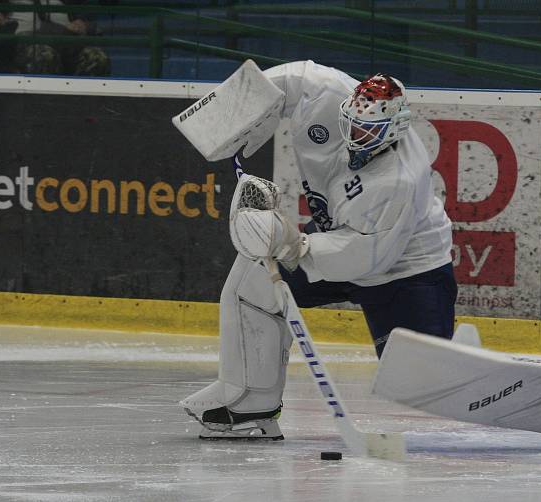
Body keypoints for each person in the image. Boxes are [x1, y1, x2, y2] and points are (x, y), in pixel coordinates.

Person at [180, 61, 457, 440]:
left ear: (394, 128)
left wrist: (294, 244)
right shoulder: (328, 94)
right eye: (354, 122)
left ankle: (481, 369)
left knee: (423, 387)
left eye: (369, 129)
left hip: (406, 267)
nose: (357, 133)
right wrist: (228, 116)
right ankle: (248, 404)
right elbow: (293, 79)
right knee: (252, 287)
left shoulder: (400, 178)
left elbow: (367, 255)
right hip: (334, 236)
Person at [0, 0, 110, 76]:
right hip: (22, 43)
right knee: (42, 54)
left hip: (67, 40)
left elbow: (93, 17)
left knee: (97, 57)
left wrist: (83, 25)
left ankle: (85, 119)